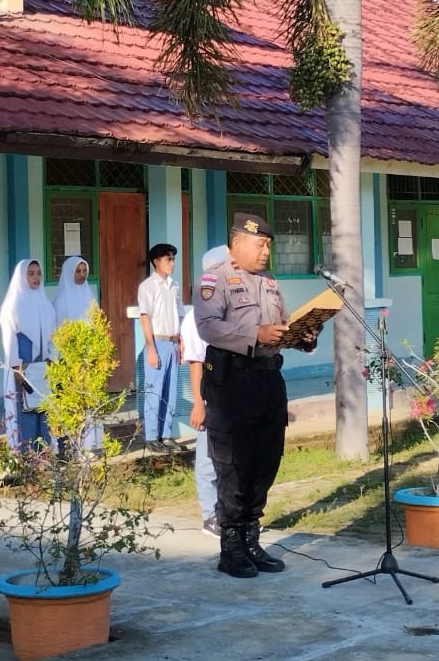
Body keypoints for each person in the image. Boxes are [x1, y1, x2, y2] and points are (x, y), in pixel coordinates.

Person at [194, 213, 320, 578]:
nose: (266, 251)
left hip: (268, 380)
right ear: (238, 243)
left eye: (268, 244)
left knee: (266, 460)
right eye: (260, 244)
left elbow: (278, 326)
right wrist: (255, 334)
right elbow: (208, 327)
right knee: (235, 464)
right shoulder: (214, 278)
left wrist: (302, 335)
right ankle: (231, 546)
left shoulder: (268, 281)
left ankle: (251, 538)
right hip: (232, 383)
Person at [181, 245, 229, 538]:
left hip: (235, 396)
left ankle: (231, 512)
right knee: (208, 458)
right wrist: (198, 403)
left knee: (232, 459)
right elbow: (195, 362)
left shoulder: (234, 308)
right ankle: (210, 515)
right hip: (211, 397)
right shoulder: (196, 316)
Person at [0, 259, 56, 452]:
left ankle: (45, 456)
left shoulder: (45, 303)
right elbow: (10, 338)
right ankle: (27, 458)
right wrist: (16, 366)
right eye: (31, 274)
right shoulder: (13, 304)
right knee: (26, 414)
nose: (36, 278)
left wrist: (53, 359)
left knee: (45, 412)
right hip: (24, 367)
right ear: (22, 276)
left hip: (44, 368)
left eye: (38, 273)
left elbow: (54, 335)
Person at [53, 255, 102, 450]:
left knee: (90, 401)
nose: (82, 275)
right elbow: (58, 331)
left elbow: (97, 323)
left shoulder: (89, 295)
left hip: (89, 357)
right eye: (78, 271)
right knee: (74, 401)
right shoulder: (61, 299)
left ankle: (92, 444)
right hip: (70, 359)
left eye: (84, 271)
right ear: (69, 272)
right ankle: (75, 444)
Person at [137, 243, 182, 452]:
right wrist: (151, 348)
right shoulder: (148, 286)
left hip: (172, 341)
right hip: (156, 341)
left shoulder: (175, 286)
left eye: (173, 259)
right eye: (168, 259)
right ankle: (152, 437)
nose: (171, 263)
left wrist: (181, 343)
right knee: (154, 391)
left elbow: (179, 315)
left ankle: (166, 434)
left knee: (170, 391)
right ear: (156, 261)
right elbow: (145, 317)